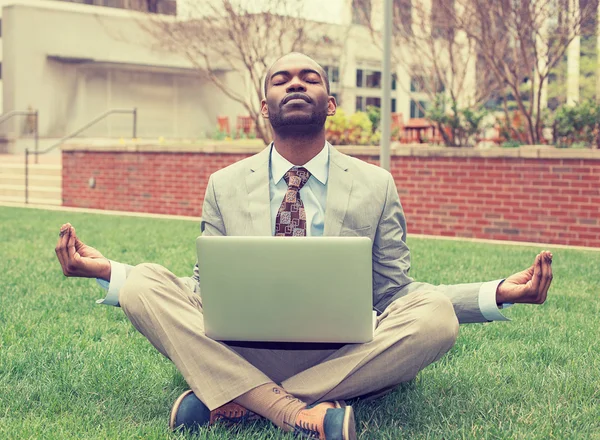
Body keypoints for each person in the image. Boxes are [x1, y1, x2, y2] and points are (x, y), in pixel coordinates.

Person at [55, 52, 553, 440]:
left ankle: (231, 400)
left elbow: (395, 293)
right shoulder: (223, 185)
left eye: (310, 78)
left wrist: (495, 294)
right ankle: (296, 413)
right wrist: (110, 274)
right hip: (242, 348)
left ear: (330, 104)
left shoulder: (376, 185)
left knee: (435, 316)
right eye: (282, 79)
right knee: (143, 280)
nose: (296, 83)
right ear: (265, 106)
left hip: (343, 354)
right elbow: (205, 289)